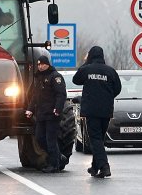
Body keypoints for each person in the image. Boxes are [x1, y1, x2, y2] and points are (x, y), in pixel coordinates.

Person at [73, 45, 122, 178]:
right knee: (99, 138)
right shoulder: (110, 71)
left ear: (90, 56)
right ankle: (95, 168)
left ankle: (105, 166)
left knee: (95, 138)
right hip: (106, 110)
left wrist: (85, 63)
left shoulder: (87, 69)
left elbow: (76, 80)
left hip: (91, 110)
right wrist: (107, 97)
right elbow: (118, 88)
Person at [25, 55, 67, 173]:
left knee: (51, 140)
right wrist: (30, 109)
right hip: (41, 114)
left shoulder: (55, 77)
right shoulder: (38, 78)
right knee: (39, 137)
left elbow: (61, 94)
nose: (40, 66)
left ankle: (54, 165)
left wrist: (58, 109)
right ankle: (58, 158)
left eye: (42, 64)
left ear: (47, 64)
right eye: (38, 64)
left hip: (52, 114)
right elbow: (34, 96)